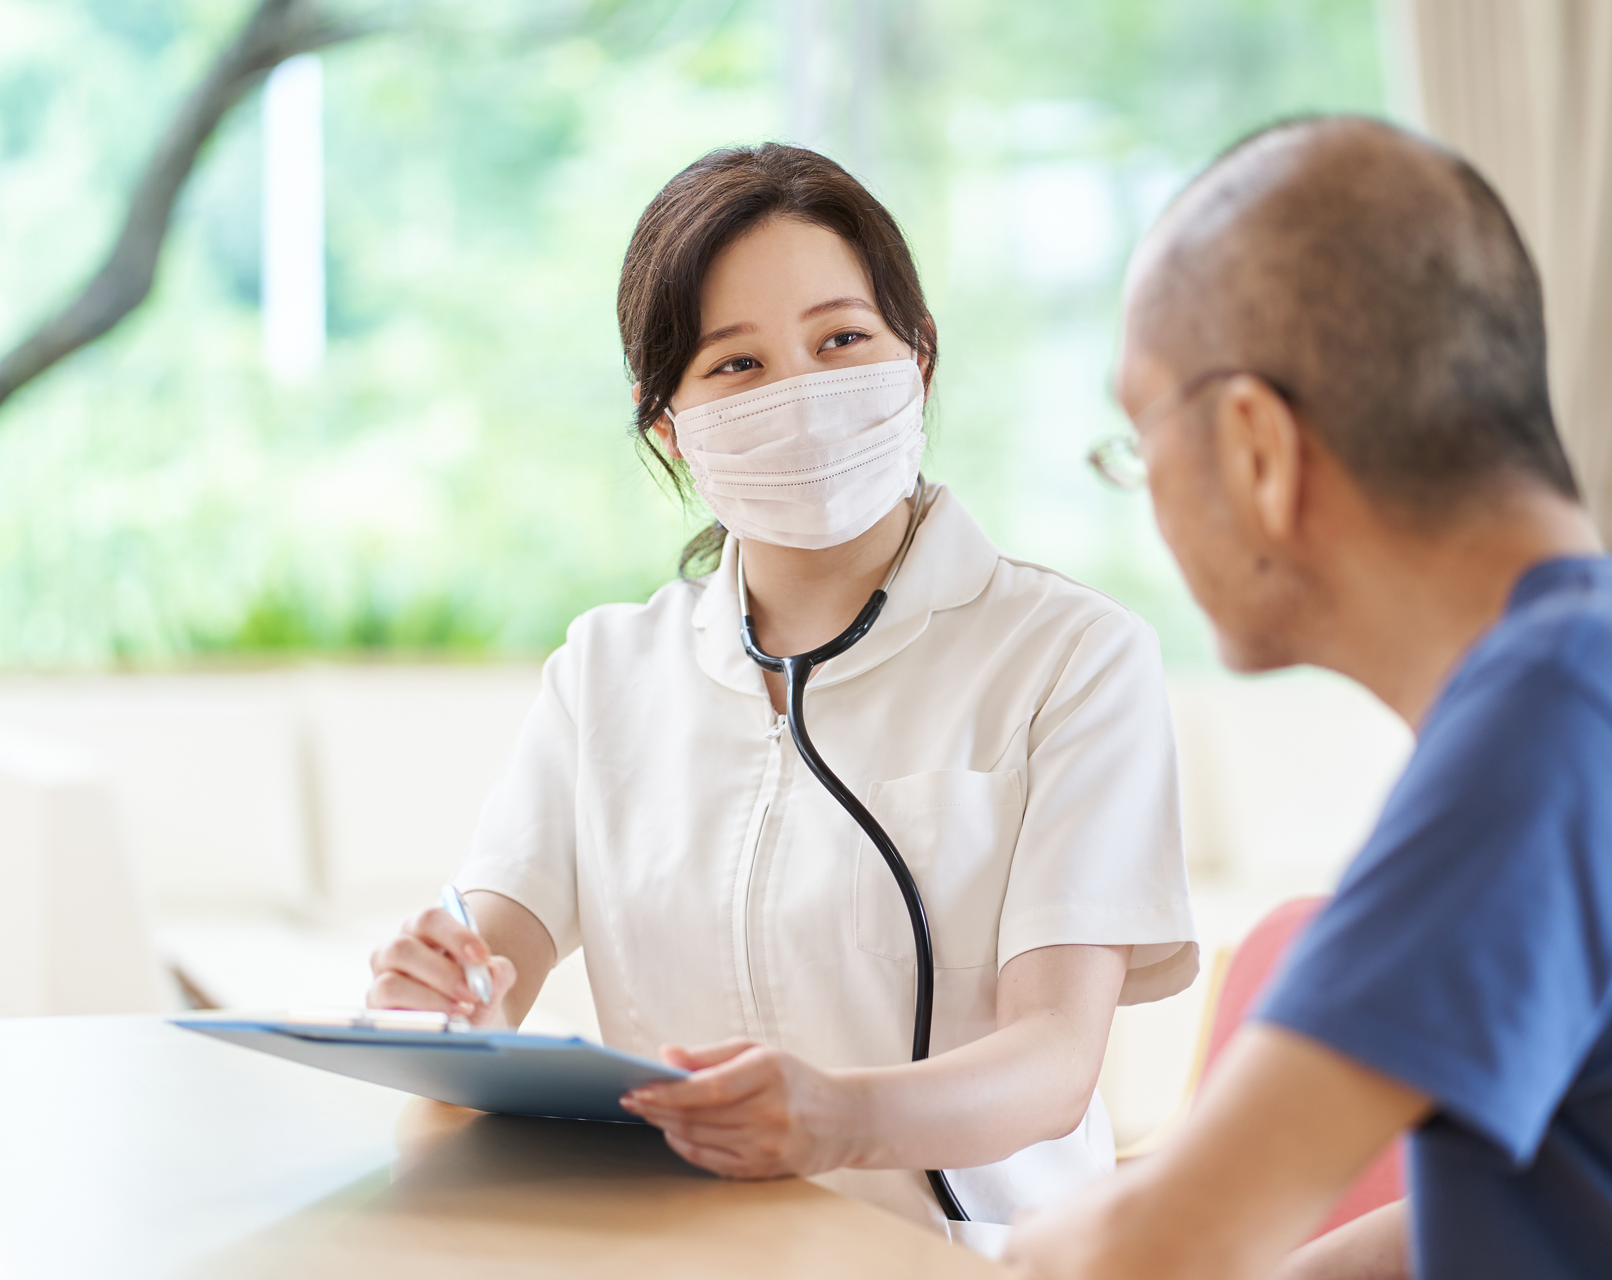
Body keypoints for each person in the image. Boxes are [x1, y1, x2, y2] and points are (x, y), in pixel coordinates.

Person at [1005, 116, 1612, 1280]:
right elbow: (1537, 1198)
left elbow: (1151, 1253)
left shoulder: (1551, 724)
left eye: (1139, 440)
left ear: (1256, 449)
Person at [364, 143, 1197, 1247]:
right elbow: (488, 960)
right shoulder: (606, 672)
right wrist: (436, 1004)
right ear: (667, 423)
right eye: (737, 365)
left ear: (920, 361)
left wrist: (836, 1119)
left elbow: (1052, 1061)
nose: (801, 391)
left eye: (841, 339)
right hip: (680, 1254)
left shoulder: (1074, 657)